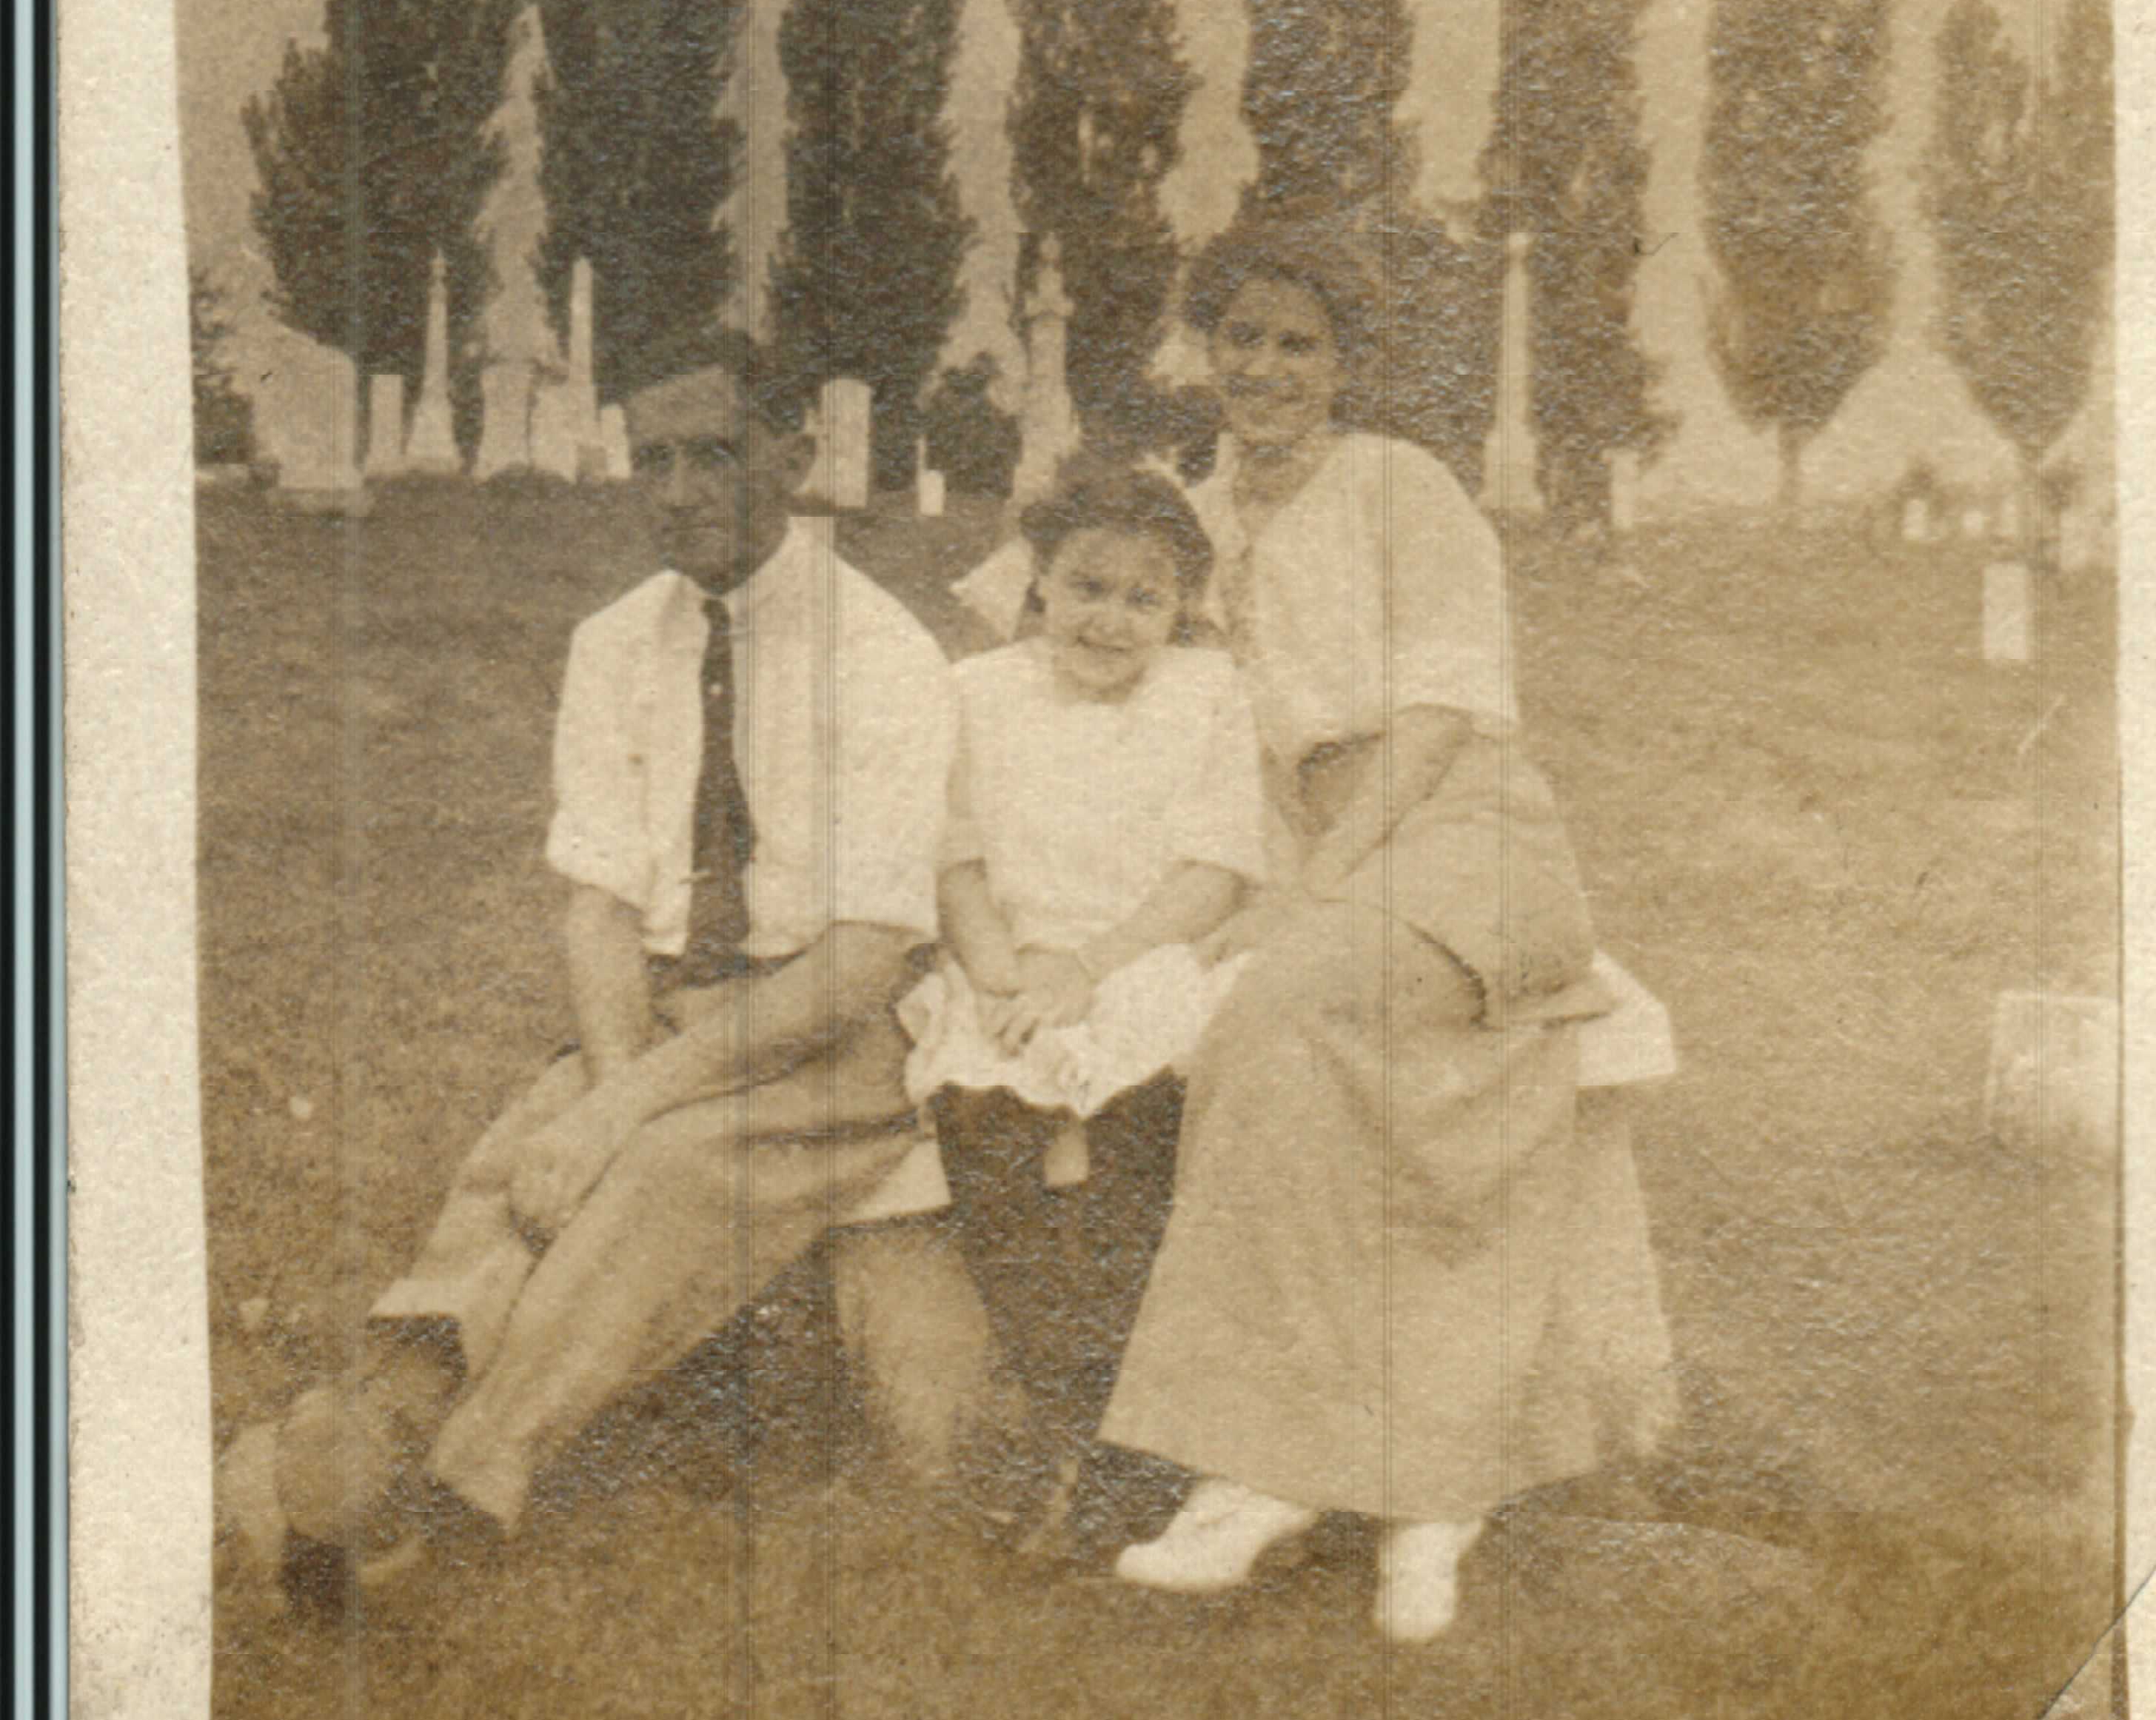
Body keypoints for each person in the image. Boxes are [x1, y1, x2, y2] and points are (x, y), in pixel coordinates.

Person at [260, 322, 969, 1602]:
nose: (680, 491)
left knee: (662, 1170)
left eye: (717, 455)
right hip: (665, 1011)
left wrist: (625, 1109)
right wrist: (607, 1080)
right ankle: (379, 1417)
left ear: (795, 456)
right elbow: (599, 905)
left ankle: (462, 1485)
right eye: (657, 460)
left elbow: (864, 960)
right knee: (522, 1166)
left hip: (834, 1036)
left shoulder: (882, 653)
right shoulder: (615, 640)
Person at [1105, 220, 1676, 1644]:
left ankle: (1285, 1475)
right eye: (1242, 337)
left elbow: (1437, 720)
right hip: (1308, 851)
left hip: (1464, 835)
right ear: (1205, 345)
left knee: (1282, 1016)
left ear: (1348, 363)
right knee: (1282, 1024)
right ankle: (1374, 1478)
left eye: (1300, 345)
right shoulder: (1188, 509)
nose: (1265, 369)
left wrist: (1321, 886)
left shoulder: (1398, 486)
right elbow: (1055, 619)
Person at [903, 455, 1268, 1526]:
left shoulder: (1206, 693)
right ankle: (1062, 1412)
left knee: (1136, 1132)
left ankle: (1131, 1432)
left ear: (1182, 609)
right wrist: (998, 975)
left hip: (1140, 957)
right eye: (1088, 588)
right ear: (1039, 584)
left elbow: (1214, 872)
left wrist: (1091, 971)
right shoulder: (976, 692)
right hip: (1005, 960)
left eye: (1145, 599)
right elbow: (954, 860)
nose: (1110, 620)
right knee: (984, 1116)